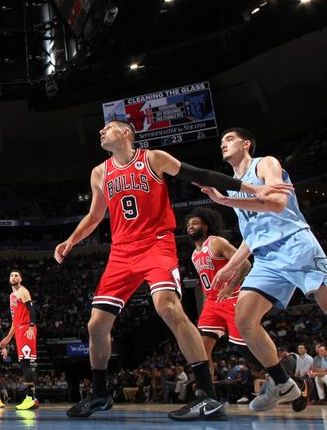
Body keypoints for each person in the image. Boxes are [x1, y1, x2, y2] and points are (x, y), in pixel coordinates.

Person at [54, 120, 290, 421]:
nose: (101, 131)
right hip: (121, 252)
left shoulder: (153, 158)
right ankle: (100, 394)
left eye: (108, 127)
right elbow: (95, 215)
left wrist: (249, 187)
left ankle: (207, 396)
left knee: (167, 306)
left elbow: (200, 174)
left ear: (126, 133)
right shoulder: (99, 172)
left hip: (156, 245)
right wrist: (71, 240)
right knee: (95, 325)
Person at [200, 127, 327, 411]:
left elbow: (278, 203)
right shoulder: (235, 183)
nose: (223, 143)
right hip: (266, 259)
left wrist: (223, 201)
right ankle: (284, 384)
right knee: (244, 319)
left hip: (294, 245)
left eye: (229, 139)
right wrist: (230, 267)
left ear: (246, 144)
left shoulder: (265, 163)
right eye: (221, 141)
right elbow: (253, 234)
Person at [185, 208, 260, 372]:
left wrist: (230, 287)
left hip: (231, 298)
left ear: (205, 227)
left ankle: (282, 377)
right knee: (201, 352)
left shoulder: (216, 242)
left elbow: (245, 264)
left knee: (246, 349)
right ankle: (208, 396)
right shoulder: (193, 255)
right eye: (189, 224)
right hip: (211, 304)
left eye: (195, 223)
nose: (190, 226)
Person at [0, 270, 39, 410]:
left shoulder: (23, 291)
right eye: (11, 275)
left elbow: (32, 310)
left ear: (20, 278)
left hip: (26, 328)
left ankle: (30, 398)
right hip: (19, 329)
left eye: (16, 275)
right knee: (23, 361)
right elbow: (15, 320)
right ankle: (33, 399)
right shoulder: (11, 296)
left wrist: (31, 326)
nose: (14, 277)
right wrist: (9, 337)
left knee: (25, 362)